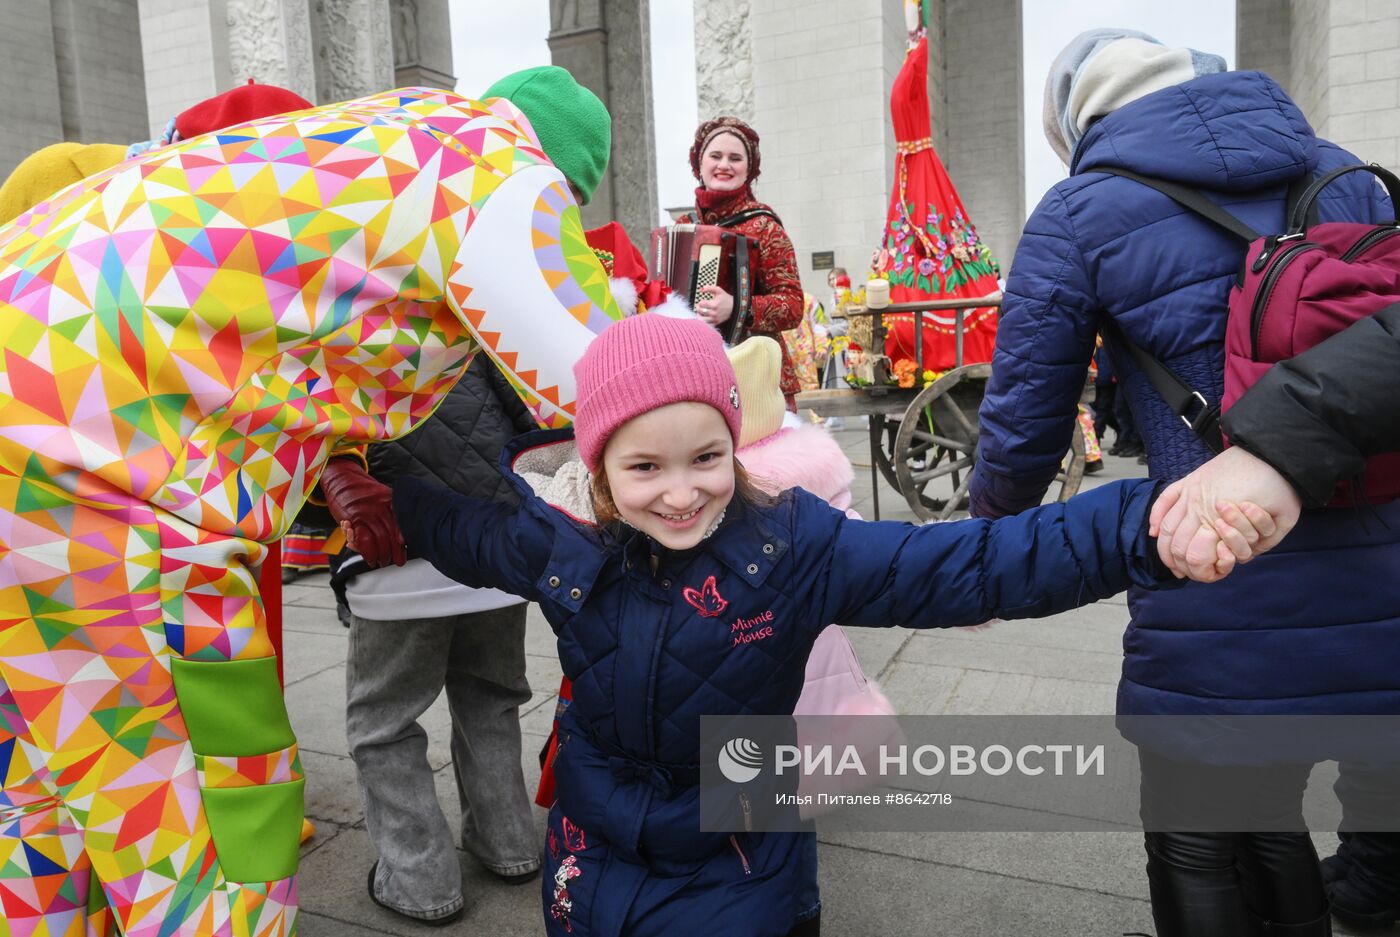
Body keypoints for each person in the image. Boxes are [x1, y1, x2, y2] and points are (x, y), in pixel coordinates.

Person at [0, 82, 622, 937]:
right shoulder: (498, 172)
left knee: (49, 796)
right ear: (569, 177)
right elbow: (618, 393)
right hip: (110, 470)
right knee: (215, 813)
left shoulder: (388, 136)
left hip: (39, 420)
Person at [379, 312, 1180, 937]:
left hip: (735, 854)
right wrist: (367, 484)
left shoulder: (792, 549)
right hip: (587, 850)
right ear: (598, 467)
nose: (681, 492)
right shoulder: (561, 543)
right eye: (644, 467)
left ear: (735, 445)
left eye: (706, 456)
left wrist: (1139, 524)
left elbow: (974, 563)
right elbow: (459, 529)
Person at [967, 28, 1398, 937]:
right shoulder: (1343, 171)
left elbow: (1024, 419)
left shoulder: (1079, 211)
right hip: (1383, 557)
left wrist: (989, 539)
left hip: (1214, 559)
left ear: (1075, 119)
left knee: (1207, 834)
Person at [316, 65, 611, 927]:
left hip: (397, 532)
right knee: (492, 694)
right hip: (501, 539)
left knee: (383, 715)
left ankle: (419, 878)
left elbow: (336, 383)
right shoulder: (559, 269)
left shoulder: (397, 243)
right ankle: (512, 841)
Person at [1152, 300, 1400, 931]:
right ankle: (1371, 879)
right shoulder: (1355, 195)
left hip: (1215, 536)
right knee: (1273, 808)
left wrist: (993, 518)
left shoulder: (1083, 214)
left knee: (1193, 836)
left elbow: (1029, 400)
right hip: (1366, 534)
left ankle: (1372, 877)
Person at [681, 117, 805, 408]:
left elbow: (793, 306)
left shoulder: (764, 226)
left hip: (758, 376)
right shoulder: (684, 226)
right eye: (715, 156)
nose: (724, 164)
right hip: (700, 372)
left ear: (748, 170)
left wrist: (738, 307)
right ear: (699, 164)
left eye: (735, 158)